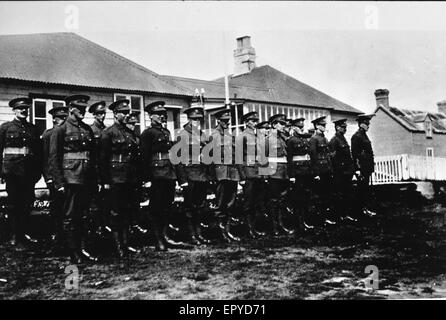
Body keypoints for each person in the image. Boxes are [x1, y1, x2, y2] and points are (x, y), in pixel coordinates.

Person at [49, 94, 98, 263]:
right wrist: (59, 182)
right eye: (80, 109)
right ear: (71, 109)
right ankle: (73, 253)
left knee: (84, 215)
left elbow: (93, 155)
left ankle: (83, 248)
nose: (84, 111)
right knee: (69, 216)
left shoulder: (87, 129)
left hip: (86, 179)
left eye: (85, 109)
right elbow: (54, 158)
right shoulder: (60, 129)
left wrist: (94, 180)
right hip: (70, 178)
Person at [99, 99, 141, 258]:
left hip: (129, 178)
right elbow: (102, 160)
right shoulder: (108, 133)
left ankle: (126, 243)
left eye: (127, 112)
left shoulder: (129, 133)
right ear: (115, 114)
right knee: (116, 213)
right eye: (123, 112)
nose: (126, 115)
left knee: (126, 211)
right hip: (115, 178)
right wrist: (105, 181)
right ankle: (118, 246)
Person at [0, 97, 42, 250]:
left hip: (28, 174)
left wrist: (37, 174)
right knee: (14, 205)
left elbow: (38, 154)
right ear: (14, 110)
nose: (23, 111)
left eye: (26, 108)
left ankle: (23, 234)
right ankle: (15, 236)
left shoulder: (33, 129)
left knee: (26, 205)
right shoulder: (5, 128)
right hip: (12, 173)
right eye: (20, 108)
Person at [140, 101, 179, 251]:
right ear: (150, 116)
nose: (162, 117)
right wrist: (147, 179)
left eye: (164, 114)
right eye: (159, 114)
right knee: (156, 208)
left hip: (168, 173)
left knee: (167, 206)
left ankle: (165, 236)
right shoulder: (147, 134)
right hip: (156, 175)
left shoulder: (166, 132)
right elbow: (144, 158)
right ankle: (158, 240)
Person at [175, 106, 211, 245]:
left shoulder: (203, 135)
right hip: (189, 174)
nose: (197, 121)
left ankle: (199, 234)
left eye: (199, 119)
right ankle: (191, 235)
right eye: (194, 119)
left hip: (201, 174)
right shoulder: (182, 134)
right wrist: (182, 179)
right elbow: (177, 158)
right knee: (189, 207)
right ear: (189, 119)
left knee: (200, 206)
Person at [208, 107, 240, 242]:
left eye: (228, 121)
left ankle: (228, 231)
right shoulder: (214, 136)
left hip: (232, 173)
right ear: (218, 121)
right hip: (220, 173)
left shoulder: (231, 135)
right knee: (221, 204)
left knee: (231, 204)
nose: (227, 123)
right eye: (224, 121)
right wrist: (212, 177)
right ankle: (221, 233)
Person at [235, 111, 266, 238]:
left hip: (259, 172)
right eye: (253, 121)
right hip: (248, 173)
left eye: (256, 121)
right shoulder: (242, 136)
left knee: (258, 201)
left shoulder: (259, 136)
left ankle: (255, 227)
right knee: (248, 202)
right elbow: (238, 157)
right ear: (247, 122)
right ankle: (249, 229)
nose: (255, 123)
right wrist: (242, 177)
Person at [42, 106, 68, 249]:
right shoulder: (48, 134)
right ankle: (55, 233)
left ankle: (65, 235)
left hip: (66, 176)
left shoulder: (66, 133)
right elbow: (46, 158)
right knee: (57, 207)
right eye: (60, 118)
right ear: (54, 119)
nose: (63, 121)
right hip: (53, 178)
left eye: (65, 118)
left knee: (67, 208)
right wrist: (48, 177)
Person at [265, 114, 293, 236]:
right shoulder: (268, 139)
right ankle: (274, 226)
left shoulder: (282, 139)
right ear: (273, 125)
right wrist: (265, 176)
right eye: (281, 124)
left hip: (283, 173)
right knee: (273, 201)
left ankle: (281, 224)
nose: (283, 126)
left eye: (284, 124)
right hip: (273, 173)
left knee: (282, 200)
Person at [287, 117, 315, 232]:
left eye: (302, 127)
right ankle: (298, 223)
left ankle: (304, 221)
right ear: (293, 127)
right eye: (299, 127)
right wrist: (292, 175)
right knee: (298, 199)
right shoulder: (291, 140)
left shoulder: (305, 140)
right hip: (297, 173)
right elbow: (289, 158)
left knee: (305, 198)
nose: (301, 129)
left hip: (306, 172)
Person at [87, 101, 111, 237]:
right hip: (95, 173)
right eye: (99, 114)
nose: (101, 116)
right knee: (95, 205)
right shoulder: (91, 130)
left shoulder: (107, 130)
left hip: (107, 172)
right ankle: (95, 231)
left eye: (103, 113)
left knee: (106, 204)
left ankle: (104, 229)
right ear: (94, 115)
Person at [309, 116, 336, 226]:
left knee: (327, 195)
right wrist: (316, 173)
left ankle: (325, 218)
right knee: (321, 196)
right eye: (322, 125)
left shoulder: (324, 139)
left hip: (327, 169)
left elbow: (328, 154)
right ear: (316, 126)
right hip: (320, 171)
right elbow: (313, 156)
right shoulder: (314, 139)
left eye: (325, 125)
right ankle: (321, 219)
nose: (324, 127)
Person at [328, 119, 357, 222]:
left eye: (345, 127)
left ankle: (345, 214)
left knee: (347, 194)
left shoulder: (343, 139)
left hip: (347, 172)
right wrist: (340, 171)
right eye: (343, 127)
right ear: (337, 127)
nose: (345, 129)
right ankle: (339, 215)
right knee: (340, 195)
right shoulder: (334, 140)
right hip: (340, 173)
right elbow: (333, 159)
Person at [351, 113, 377, 217]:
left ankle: (364, 209)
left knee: (365, 189)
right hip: (362, 168)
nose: (368, 126)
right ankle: (360, 210)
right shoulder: (356, 136)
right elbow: (355, 154)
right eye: (366, 124)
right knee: (361, 190)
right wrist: (357, 169)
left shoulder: (364, 135)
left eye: (368, 123)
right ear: (361, 124)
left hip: (366, 167)